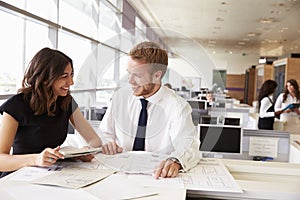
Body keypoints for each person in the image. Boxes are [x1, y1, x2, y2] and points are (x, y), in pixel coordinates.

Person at [99, 41, 200, 179]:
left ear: (157, 75)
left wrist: (176, 160)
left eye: (137, 76)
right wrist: (107, 143)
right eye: (129, 73)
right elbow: (104, 133)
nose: (130, 81)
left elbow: (188, 143)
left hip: (157, 177)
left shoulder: (177, 106)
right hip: (119, 174)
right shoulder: (120, 98)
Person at [0, 48, 102, 178]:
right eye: (65, 76)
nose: (71, 82)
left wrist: (84, 152)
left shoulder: (67, 102)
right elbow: (1, 159)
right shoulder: (16, 106)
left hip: (50, 173)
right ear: (45, 78)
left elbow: (94, 140)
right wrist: (36, 159)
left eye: (71, 75)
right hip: (19, 175)